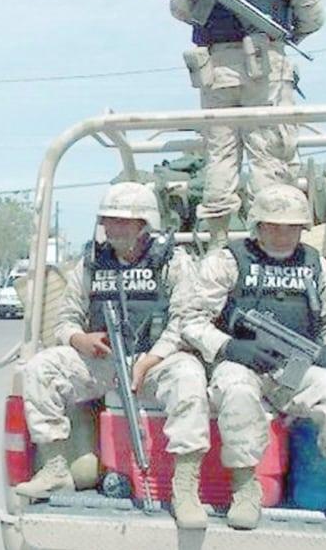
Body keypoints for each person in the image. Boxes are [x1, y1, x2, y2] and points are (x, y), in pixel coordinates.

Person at [14, 183, 212, 529]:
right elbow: (66, 319)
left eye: (123, 221)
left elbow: (185, 320)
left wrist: (152, 360)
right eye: (108, 221)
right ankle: (55, 468)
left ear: (144, 224)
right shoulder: (91, 262)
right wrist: (79, 339)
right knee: (40, 368)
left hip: (157, 360)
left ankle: (185, 488)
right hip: (104, 360)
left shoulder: (172, 262)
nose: (113, 228)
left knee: (190, 376)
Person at [179, 184, 326, 538]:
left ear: (302, 229)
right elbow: (190, 319)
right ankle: (245, 489)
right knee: (235, 389)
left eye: (292, 227)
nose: (283, 235)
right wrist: (228, 347)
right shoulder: (228, 260)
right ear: (258, 226)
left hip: (297, 365)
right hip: (245, 362)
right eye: (274, 226)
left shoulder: (315, 264)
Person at [167, 0, 325, 249]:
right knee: (269, 157)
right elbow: (313, 12)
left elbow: (180, 10)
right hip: (264, 68)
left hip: (215, 72)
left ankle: (217, 245)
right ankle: (269, 247)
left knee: (219, 156)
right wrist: (290, 33)